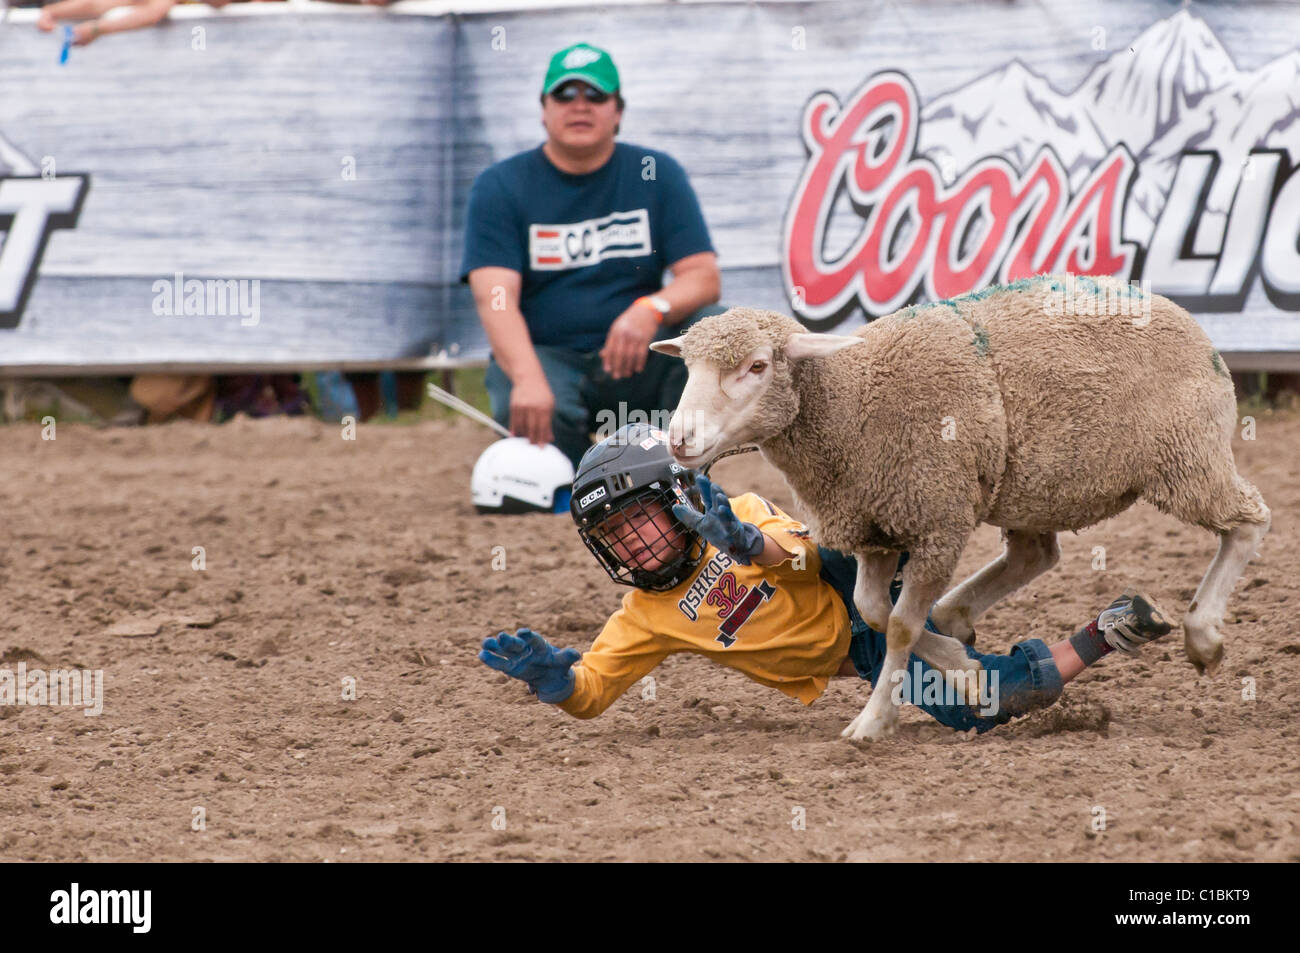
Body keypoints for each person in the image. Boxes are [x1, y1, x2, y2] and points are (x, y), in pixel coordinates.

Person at [479, 425, 1175, 732]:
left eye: (639, 522)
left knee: (850, 535)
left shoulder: (737, 510)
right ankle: (1105, 632)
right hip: (861, 646)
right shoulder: (643, 616)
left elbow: (810, 554)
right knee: (982, 705)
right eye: (614, 537)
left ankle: (952, 569)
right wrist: (560, 683)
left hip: (859, 577)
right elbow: (596, 690)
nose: (631, 543)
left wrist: (748, 540)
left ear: (676, 499)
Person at [460, 42, 723, 469]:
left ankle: (678, 470)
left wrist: (650, 309)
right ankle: (570, 479)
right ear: (543, 109)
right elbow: (495, 297)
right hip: (549, 356)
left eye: (596, 95)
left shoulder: (657, 173)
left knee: (711, 330)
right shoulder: (500, 184)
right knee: (523, 409)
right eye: (564, 94)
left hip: (640, 356)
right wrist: (527, 380)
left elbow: (703, 277)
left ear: (617, 111)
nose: (579, 106)